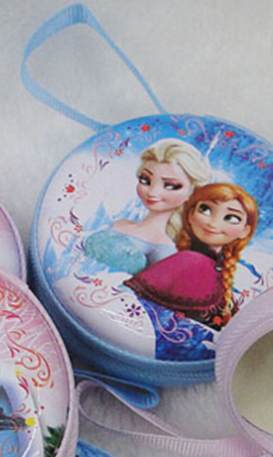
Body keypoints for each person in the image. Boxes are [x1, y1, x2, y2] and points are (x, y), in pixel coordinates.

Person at [124, 182, 258, 332]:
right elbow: (127, 299)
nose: (213, 224)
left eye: (232, 218)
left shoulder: (217, 269)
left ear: (245, 231)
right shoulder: (187, 260)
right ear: (190, 214)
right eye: (205, 209)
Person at [83, 140, 210, 274]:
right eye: (145, 180)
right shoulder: (120, 223)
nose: (152, 192)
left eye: (171, 186)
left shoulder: (166, 249)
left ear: (191, 192)